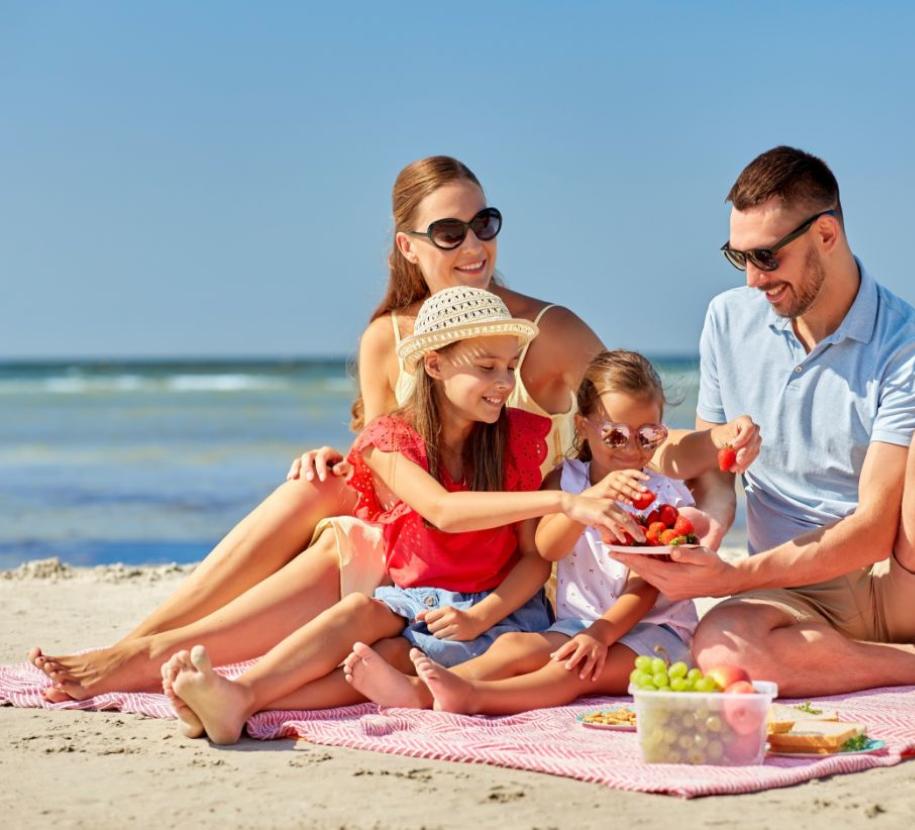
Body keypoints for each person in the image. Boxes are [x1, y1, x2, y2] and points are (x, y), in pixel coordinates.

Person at [29, 156, 607, 700]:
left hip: (513, 555)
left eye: (484, 223)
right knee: (321, 485)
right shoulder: (389, 336)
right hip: (424, 549)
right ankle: (138, 645)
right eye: (450, 232)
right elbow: (390, 454)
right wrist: (346, 457)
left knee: (346, 538)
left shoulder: (544, 328)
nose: (474, 245)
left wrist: (692, 455)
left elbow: (633, 420)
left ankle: (146, 657)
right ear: (408, 247)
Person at [160, 288, 643, 744]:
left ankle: (241, 704)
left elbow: (533, 559)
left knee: (383, 660)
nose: (503, 384)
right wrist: (561, 501)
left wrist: (481, 616)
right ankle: (240, 694)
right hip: (416, 603)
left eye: (510, 368)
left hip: (501, 612)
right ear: (434, 363)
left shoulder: (516, 438)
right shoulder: (389, 439)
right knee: (357, 615)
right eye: (487, 366)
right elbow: (441, 511)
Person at [612, 146, 915, 696]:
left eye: (767, 257)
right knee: (720, 647)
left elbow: (873, 533)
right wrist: (713, 516)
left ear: (826, 235)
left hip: (900, 580)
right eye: (739, 257)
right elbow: (717, 476)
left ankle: (849, 658)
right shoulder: (729, 320)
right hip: (792, 589)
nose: (752, 280)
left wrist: (734, 578)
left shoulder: (904, 344)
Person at [338, 350, 759, 714]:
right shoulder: (567, 480)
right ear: (583, 427)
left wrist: (602, 634)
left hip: (653, 636)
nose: (632, 449)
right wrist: (587, 504)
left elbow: (646, 587)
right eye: (614, 435)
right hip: (577, 625)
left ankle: (470, 696)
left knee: (571, 672)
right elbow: (546, 547)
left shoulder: (662, 496)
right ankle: (425, 689)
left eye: (649, 436)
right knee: (513, 649)